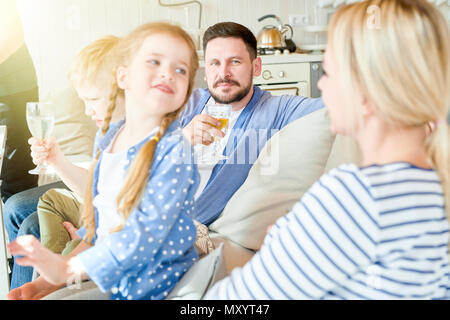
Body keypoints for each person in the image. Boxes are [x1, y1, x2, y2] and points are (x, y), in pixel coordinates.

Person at [204, 0, 450, 300]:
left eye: (329, 73)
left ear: (366, 92)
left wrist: (285, 248)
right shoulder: (434, 183)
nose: (321, 85)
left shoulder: (354, 194)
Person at [7, 21, 201, 300]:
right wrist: (49, 280)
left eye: (180, 69)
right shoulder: (109, 139)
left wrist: (67, 268)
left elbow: (141, 241)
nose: (167, 76)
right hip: (116, 272)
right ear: (126, 76)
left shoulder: (172, 151)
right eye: (155, 62)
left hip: (153, 283)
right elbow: (101, 223)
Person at [3, 35, 125, 290]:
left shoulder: (145, 144)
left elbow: (118, 225)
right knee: (25, 208)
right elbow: (96, 194)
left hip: (116, 256)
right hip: (96, 239)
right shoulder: (109, 135)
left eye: (92, 100)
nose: (87, 111)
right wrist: (57, 160)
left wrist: (78, 247)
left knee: (31, 220)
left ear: (124, 85)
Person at [180, 21, 324, 226]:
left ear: (256, 67)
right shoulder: (186, 104)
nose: (224, 74)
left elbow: (333, 106)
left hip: (191, 225)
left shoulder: (276, 109)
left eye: (235, 62)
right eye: (215, 63)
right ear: (205, 70)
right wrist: (182, 139)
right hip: (156, 212)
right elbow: (139, 153)